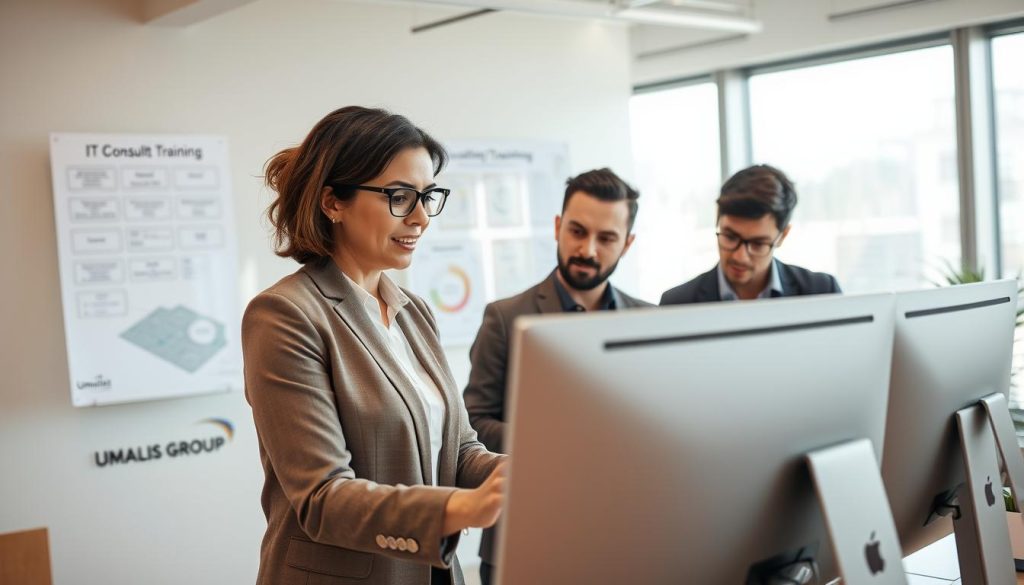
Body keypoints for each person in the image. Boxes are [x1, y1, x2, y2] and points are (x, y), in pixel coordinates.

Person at [242, 106, 506, 585]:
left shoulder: (414, 312)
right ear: (332, 203)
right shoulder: (285, 315)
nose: (422, 218)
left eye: (428, 197)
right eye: (401, 197)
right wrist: (461, 506)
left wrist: (525, 471)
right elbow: (323, 497)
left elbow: (458, 449)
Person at [463, 167, 652, 584]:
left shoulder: (649, 321)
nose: (587, 249)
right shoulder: (505, 317)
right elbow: (472, 425)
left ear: (628, 243)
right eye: (577, 231)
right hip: (524, 535)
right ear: (557, 227)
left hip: (621, 541)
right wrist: (558, 444)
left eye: (606, 239)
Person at [660, 164, 840, 305]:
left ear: (783, 235)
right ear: (717, 221)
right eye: (730, 237)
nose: (740, 257)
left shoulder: (821, 292)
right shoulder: (677, 304)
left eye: (757, 244)